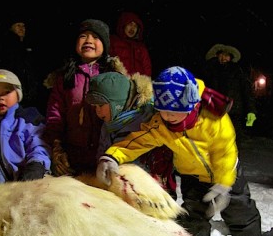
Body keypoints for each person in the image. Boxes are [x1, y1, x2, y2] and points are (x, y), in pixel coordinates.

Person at [96, 66, 263, 236]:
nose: (169, 116)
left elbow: (225, 150)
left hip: (228, 174)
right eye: (163, 110)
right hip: (193, 177)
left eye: (175, 109)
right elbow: (136, 142)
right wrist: (112, 156)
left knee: (241, 216)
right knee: (194, 217)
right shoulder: (160, 125)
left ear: (190, 103)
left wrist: (224, 183)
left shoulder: (212, 118)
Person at [42, 18, 126, 176]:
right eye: (83, 36)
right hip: (72, 158)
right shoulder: (65, 77)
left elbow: (122, 116)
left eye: (95, 37)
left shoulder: (114, 77)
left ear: (105, 44)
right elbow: (55, 115)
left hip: (105, 156)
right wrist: (57, 148)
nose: (89, 40)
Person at [85, 70, 175, 192]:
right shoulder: (108, 125)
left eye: (101, 105)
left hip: (148, 187)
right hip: (118, 185)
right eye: (95, 106)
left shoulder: (144, 121)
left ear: (117, 104)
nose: (98, 111)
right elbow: (102, 149)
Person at [0, 69, 51, 191]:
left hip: (30, 185)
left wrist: (36, 166)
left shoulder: (28, 121)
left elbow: (39, 147)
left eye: (6, 92)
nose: (0, 98)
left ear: (18, 95)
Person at [0, 16, 47, 111]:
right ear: (11, 28)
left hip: (30, 95)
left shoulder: (29, 46)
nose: (21, 28)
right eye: (18, 25)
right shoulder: (5, 46)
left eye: (23, 26)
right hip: (13, 93)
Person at [202, 44, 257, 143]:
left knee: (232, 141)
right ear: (217, 55)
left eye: (227, 55)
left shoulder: (238, 71)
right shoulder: (209, 70)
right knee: (211, 141)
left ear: (231, 57)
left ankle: (233, 158)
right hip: (212, 111)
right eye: (221, 55)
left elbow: (246, 91)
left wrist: (251, 111)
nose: (224, 58)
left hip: (233, 112)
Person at [109, 11, 152, 76]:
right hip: (118, 82)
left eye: (135, 26)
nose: (132, 28)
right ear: (123, 25)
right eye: (130, 24)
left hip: (137, 83)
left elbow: (147, 68)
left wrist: (145, 83)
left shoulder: (141, 47)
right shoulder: (113, 42)